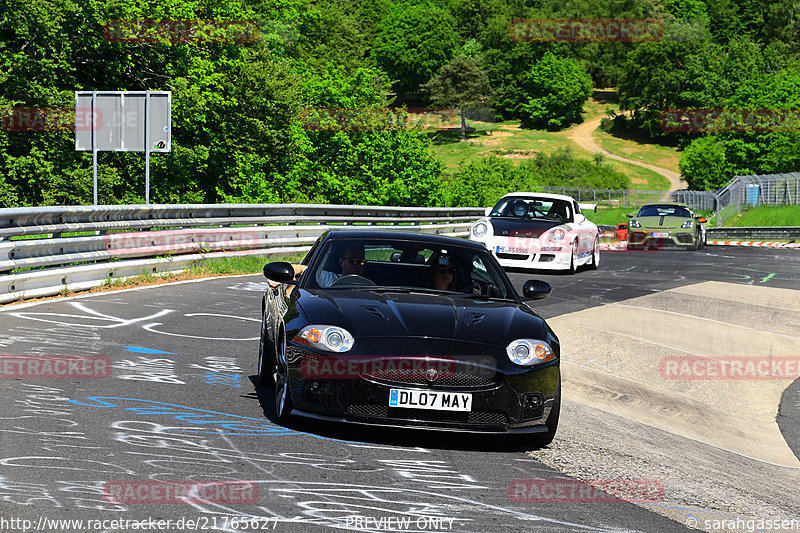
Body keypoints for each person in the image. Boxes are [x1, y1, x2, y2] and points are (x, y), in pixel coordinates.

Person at [266, 244, 366, 291]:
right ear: (341, 262)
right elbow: (301, 269)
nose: (358, 266)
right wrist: (282, 276)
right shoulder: (329, 279)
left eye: (362, 262)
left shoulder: (377, 282)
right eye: (353, 261)